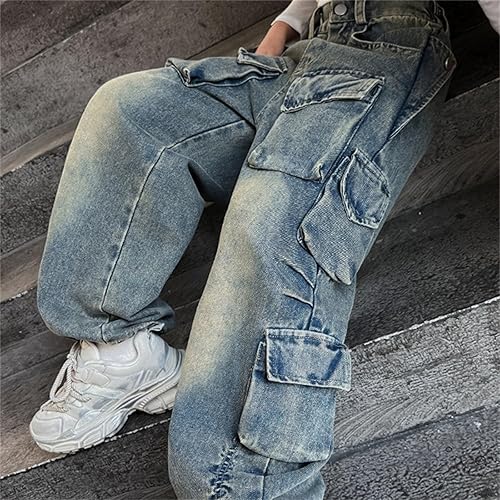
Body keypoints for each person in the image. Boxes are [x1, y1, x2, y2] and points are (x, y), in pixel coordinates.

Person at [29, 0, 463, 497]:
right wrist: (286, 23)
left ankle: (249, 485)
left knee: (276, 213)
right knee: (132, 109)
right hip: (313, 46)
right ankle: (123, 352)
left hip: (390, 45)